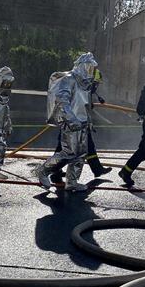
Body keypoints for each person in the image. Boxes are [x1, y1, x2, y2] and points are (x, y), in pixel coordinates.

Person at [34, 52, 98, 192]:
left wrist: (90, 121)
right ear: (81, 66)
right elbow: (62, 101)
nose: (90, 71)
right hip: (71, 123)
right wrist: (71, 118)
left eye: (92, 69)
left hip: (82, 123)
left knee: (81, 154)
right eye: (88, 67)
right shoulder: (69, 79)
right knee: (68, 153)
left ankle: (72, 183)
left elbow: (86, 105)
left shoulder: (86, 84)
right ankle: (43, 171)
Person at [49, 67, 111, 186]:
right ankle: (51, 171)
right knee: (64, 149)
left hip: (79, 124)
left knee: (87, 145)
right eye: (96, 84)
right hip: (72, 124)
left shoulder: (84, 89)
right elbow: (74, 103)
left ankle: (96, 169)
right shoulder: (78, 87)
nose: (96, 87)